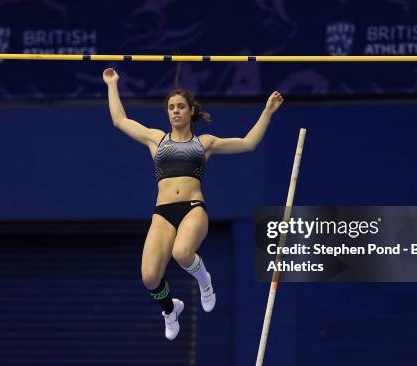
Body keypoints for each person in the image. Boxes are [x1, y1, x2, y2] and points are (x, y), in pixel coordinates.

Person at [102, 67, 283, 340]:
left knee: (182, 252)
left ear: (190, 111)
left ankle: (205, 281)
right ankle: (170, 309)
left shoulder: (204, 143)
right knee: (150, 277)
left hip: (192, 208)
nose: (175, 111)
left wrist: (267, 111)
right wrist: (112, 84)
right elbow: (119, 120)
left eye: (180, 107)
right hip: (163, 213)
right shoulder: (156, 139)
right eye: (171, 107)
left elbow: (248, 143)